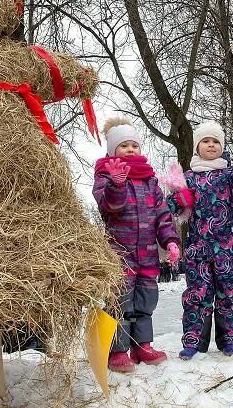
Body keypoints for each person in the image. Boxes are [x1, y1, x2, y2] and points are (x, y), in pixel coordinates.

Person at [168, 121, 233, 359]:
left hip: (227, 249)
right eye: (205, 141)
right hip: (197, 249)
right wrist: (179, 199)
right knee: (196, 295)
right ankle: (194, 340)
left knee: (229, 293)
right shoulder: (189, 177)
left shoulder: (231, 174)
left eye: (215, 142)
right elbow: (168, 207)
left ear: (221, 147)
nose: (211, 145)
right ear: (197, 147)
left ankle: (230, 338)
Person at [93, 117, 181, 372]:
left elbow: (162, 216)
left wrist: (171, 241)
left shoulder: (150, 181)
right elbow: (109, 206)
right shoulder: (105, 177)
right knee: (120, 302)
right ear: (112, 151)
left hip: (147, 255)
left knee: (145, 301)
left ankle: (142, 344)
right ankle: (118, 350)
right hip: (119, 254)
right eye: (124, 146)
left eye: (134, 145)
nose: (131, 150)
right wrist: (116, 184)